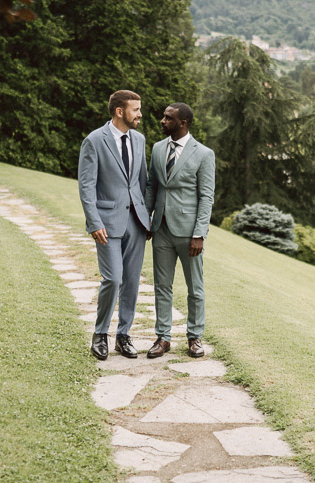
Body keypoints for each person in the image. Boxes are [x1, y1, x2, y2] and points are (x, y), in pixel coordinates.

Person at [78, 90, 151, 360]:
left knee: (131, 281)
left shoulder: (140, 140)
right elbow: (86, 186)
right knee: (113, 278)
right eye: (136, 110)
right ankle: (100, 334)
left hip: (137, 223)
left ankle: (124, 335)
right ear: (120, 111)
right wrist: (94, 221)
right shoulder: (94, 141)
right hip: (106, 222)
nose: (140, 114)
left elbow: (143, 182)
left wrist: (147, 217)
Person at [144, 103, 215, 359]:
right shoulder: (157, 148)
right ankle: (163, 338)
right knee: (162, 285)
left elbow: (206, 197)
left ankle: (194, 337)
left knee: (195, 287)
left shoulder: (204, 154)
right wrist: (146, 220)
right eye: (163, 116)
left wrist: (199, 234)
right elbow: (152, 185)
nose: (162, 121)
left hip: (188, 232)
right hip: (160, 228)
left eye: (168, 118)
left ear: (182, 122)